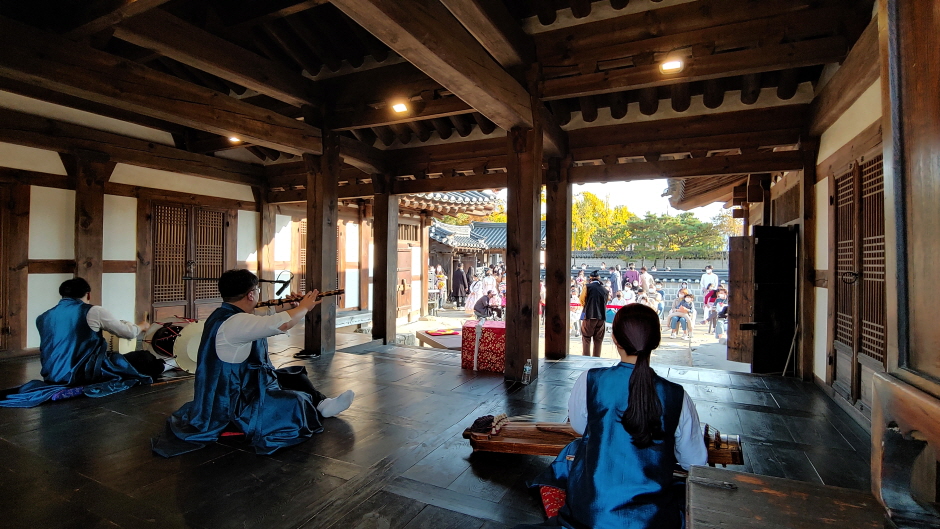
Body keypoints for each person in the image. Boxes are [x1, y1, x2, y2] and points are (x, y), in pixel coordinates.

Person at [517, 304, 707, 529]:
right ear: (655, 342)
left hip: (591, 513)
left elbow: (579, 427)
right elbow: (695, 461)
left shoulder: (591, 380)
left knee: (575, 451)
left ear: (615, 339)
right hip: (652, 520)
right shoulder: (677, 396)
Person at [152, 270, 354, 457]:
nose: (258, 295)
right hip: (234, 401)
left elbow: (262, 320)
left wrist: (288, 307)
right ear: (250, 295)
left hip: (239, 383)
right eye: (256, 291)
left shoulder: (223, 315)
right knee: (296, 402)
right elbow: (281, 324)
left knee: (292, 375)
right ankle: (315, 407)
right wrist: (304, 307)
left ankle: (323, 404)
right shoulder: (236, 323)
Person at [0, 278, 158, 408]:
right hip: (83, 373)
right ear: (88, 294)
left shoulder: (43, 317)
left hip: (52, 374)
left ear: (62, 295)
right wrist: (141, 326)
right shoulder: (92, 311)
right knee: (146, 359)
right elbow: (127, 332)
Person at [579, 270, 608, 357]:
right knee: (598, 340)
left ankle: (586, 357)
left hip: (589, 315)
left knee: (586, 338)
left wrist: (587, 306)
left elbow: (582, 300)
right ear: (599, 278)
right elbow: (606, 301)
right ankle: (596, 358)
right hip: (601, 317)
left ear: (590, 278)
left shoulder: (587, 287)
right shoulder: (605, 289)